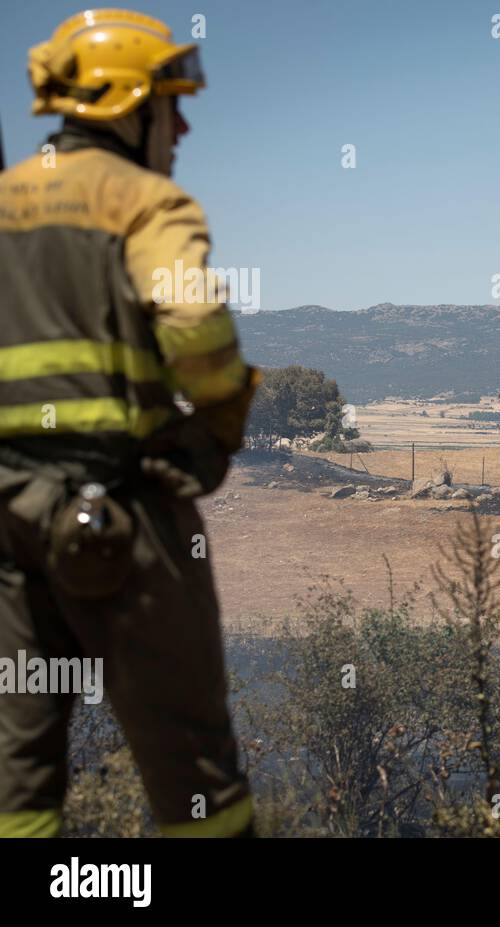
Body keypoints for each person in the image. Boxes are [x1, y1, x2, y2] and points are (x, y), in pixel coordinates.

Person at [0, 9, 259, 837]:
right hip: (120, 510)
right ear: (124, 105)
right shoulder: (148, 202)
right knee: (195, 766)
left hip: (6, 522)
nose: (180, 125)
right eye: (168, 105)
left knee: (19, 767)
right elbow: (195, 330)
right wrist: (217, 426)